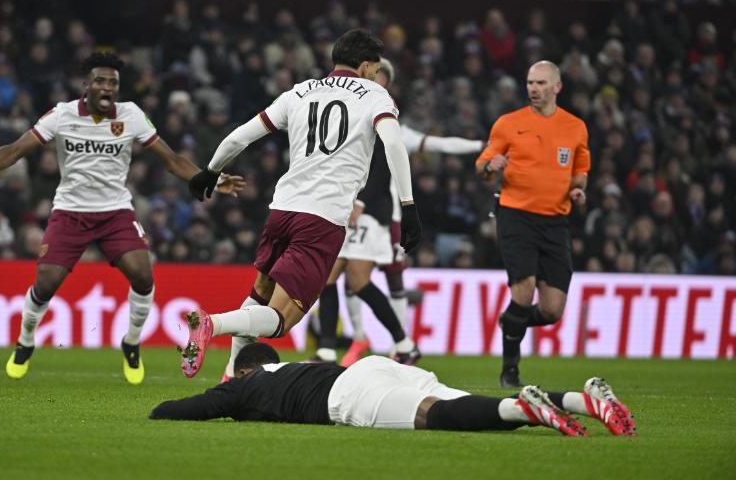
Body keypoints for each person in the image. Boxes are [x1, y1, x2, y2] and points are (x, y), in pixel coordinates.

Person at [0, 53, 244, 385]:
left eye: (113, 82)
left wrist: (209, 178)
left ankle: (131, 342)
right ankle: (26, 340)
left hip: (115, 212)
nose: (107, 87)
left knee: (143, 275)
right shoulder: (62, 115)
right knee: (45, 284)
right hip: (70, 212)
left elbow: (171, 160)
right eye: (100, 80)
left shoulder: (131, 116)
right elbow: (14, 150)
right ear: (87, 85)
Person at [181, 29, 422, 380]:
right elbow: (394, 146)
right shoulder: (375, 94)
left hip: (282, 209)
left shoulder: (300, 91)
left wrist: (210, 170)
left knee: (259, 295)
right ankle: (211, 323)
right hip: (322, 218)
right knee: (280, 321)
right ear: (368, 66)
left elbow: (242, 134)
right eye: (375, 68)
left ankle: (231, 377)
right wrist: (409, 205)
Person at [332, 59, 485, 366]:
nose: (376, 85)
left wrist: (481, 145)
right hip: (349, 211)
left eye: (381, 80)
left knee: (388, 280)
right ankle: (361, 338)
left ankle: (398, 346)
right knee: (348, 278)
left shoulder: (393, 127)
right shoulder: (350, 123)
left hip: (386, 218)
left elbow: (440, 144)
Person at [150, 343, 636, 438]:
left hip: (347, 395)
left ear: (244, 369)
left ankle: (524, 409)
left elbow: (184, 409)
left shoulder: (245, 386)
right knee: (457, 401)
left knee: (433, 417)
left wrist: (160, 410)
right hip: (374, 365)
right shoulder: (298, 363)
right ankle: (578, 399)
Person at [476, 61, 590, 387]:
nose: (533, 89)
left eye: (540, 83)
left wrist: (578, 188)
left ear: (557, 87)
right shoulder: (508, 124)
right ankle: (510, 369)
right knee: (523, 293)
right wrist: (490, 167)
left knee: (553, 310)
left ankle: (511, 322)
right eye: (529, 83)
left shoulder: (575, 127)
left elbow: (580, 167)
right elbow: (482, 166)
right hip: (516, 215)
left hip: (556, 220)